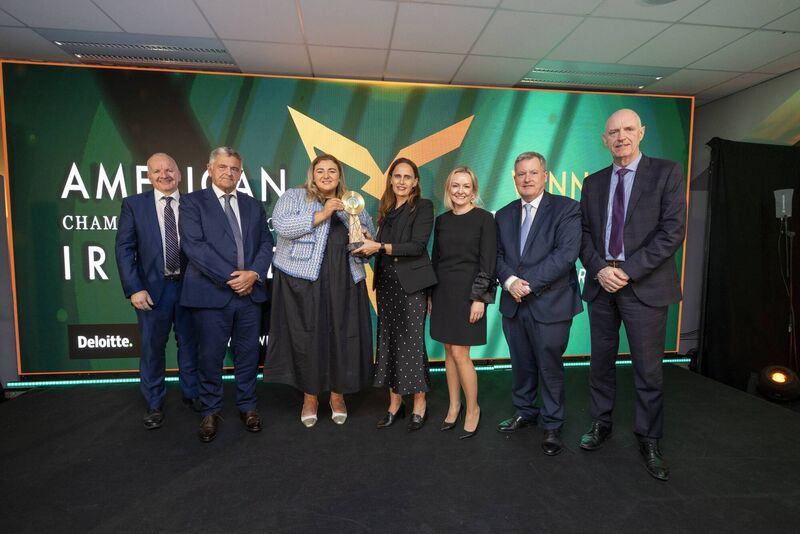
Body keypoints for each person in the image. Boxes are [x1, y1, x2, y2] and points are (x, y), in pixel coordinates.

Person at [578, 109, 685, 481]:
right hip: (602, 283)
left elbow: (672, 232)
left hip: (645, 287)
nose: (620, 136)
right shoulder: (592, 183)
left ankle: (649, 437)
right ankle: (600, 424)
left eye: (627, 129)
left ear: (641, 132)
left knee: (648, 370)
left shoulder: (666, 172)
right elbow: (584, 236)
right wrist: (601, 270)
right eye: (613, 132)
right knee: (600, 365)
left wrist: (626, 271)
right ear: (604, 140)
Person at [264, 154, 375, 427]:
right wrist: (323, 213)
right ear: (312, 174)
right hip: (303, 281)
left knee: (342, 337)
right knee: (307, 340)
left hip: (344, 278)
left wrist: (365, 236)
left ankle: (337, 396)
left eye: (332, 171)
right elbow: (281, 226)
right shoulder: (294, 196)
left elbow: (368, 237)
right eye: (320, 171)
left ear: (340, 175)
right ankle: (310, 397)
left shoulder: (352, 201)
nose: (326, 175)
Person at [179, 146, 274, 443]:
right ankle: (209, 409)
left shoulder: (253, 205)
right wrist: (234, 279)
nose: (228, 173)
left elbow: (265, 242)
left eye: (234, 169)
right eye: (222, 167)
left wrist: (254, 274)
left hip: (250, 294)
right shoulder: (192, 203)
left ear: (240, 173)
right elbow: (195, 247)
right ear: (210, 169)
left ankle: (248, 406)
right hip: (211, 294)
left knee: (248, 355)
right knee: (210, 356)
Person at [495, 151, 582, 456]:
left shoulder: (567, 208)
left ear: (545, 176)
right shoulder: (503, 214)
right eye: (521, 173)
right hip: (514, 304)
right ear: (514, 178)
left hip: (551, 303)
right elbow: (497, 257)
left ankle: (553, 424)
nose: (527, 178)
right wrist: (509, 282)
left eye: (533, 172)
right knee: (521, 363)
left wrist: (525, 284)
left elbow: (566, 255)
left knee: (550, 366)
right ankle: (524, 411)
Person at [115, 152, 199, 429]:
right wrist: (134, 288)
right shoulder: (134, 205)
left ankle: (192, 396)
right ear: (148, 176)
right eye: (157, 171)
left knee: (190, 345)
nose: (164, 175)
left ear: (179, 173)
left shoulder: (194, 204)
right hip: (151, 291)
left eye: (169, 170)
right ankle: (154, 403)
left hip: (190, 288)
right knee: (152, 348)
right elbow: (124, 250)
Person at [353, 158, 437, 431]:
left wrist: (378, 245)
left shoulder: (423, 207)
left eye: (407, 177)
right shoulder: (387, 209)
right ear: (390, 180)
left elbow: (416, 247)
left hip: (412, 287)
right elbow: (380, 245)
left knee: (412, 345)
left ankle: (420, 403)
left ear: (415, 182)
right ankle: (395, 403)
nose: (402, 181)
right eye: (397, 176)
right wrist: (368, 236)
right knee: (388, 342)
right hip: (386, 284)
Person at [429, 166, 496, 439]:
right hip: (443, 293)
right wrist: (431, 295)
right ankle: (454, 406)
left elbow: (488, 262)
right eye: (455, 185)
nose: (460, 190)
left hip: (469, 294)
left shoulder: (484, 219)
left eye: (466, 186)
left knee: (461, 354)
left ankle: (473, 409)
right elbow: (436, 260)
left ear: (474, 190)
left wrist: (479, 298)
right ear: (448, 189)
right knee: (447, 351)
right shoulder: (442, 221)